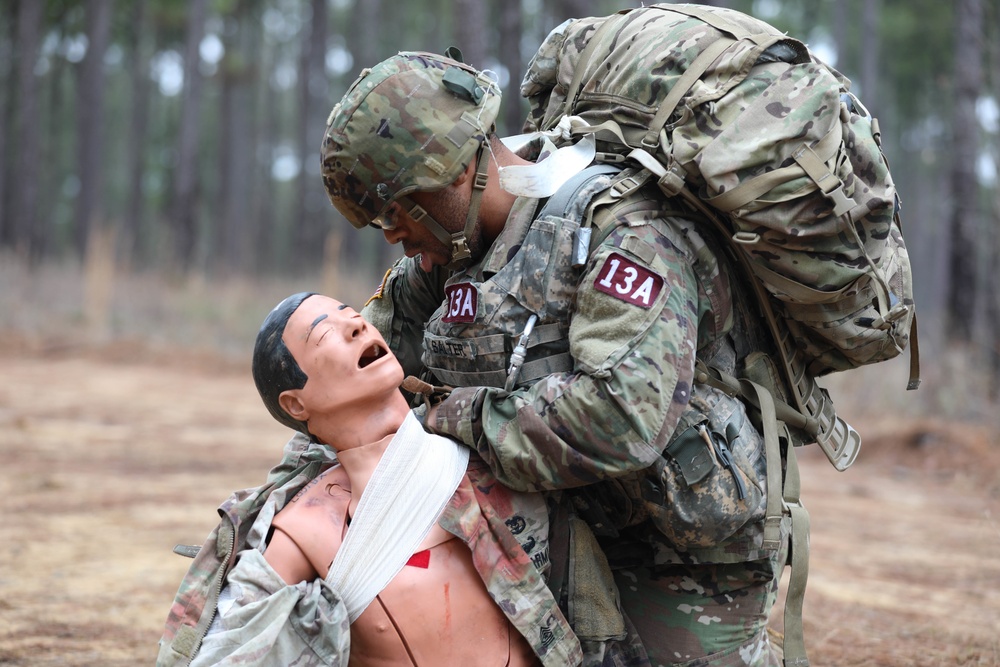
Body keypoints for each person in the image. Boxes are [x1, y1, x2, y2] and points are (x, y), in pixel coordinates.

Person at [320, 50, 793, 666]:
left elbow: (624, 418)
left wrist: (457, 416)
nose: (390, 233)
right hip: (556, 536)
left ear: (454, 173)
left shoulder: (623, 231)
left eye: (396, 208)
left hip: (680, 555)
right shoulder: (448, 255)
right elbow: (352, 384)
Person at [159, 292, 592, 667]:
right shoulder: (309, 526)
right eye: (324, 333)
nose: (356, 327)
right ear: (296, 404)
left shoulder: (495, 448)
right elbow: (229, 643)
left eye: (353, 315)